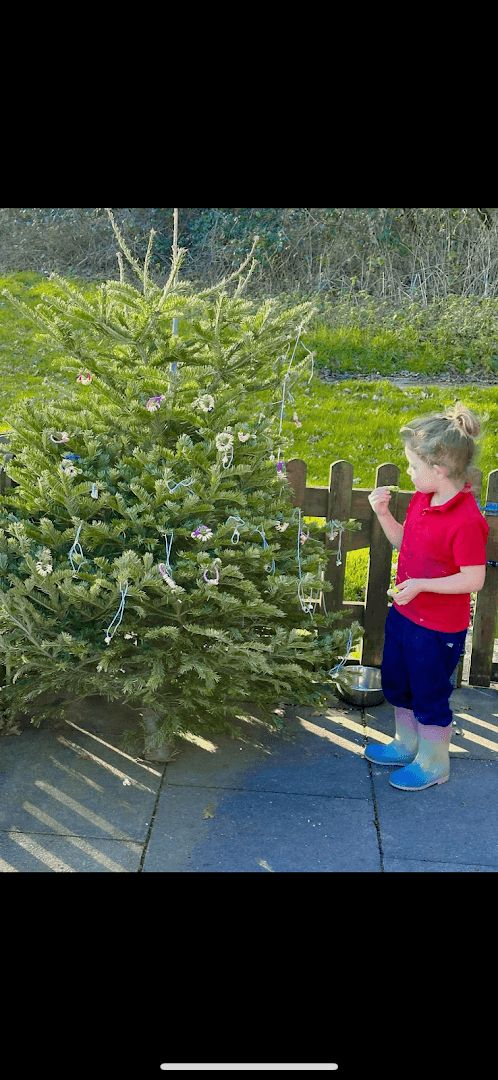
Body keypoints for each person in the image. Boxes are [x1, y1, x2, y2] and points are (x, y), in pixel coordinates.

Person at [366, 403, 489, 791]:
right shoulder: (423, 499)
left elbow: (474, 578)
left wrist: (421, 585)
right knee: (400, 683)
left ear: (439, 470)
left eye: (414, 467)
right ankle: (408, 744)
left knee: (430, 692)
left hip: (437, 628)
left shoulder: (467, 520)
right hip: (405, 615)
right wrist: (384, 514)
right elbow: (406, 544)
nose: (410, 474)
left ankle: (434, 763)